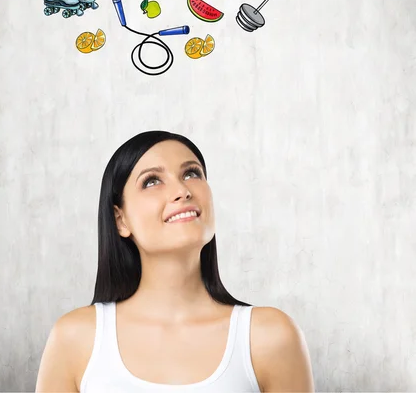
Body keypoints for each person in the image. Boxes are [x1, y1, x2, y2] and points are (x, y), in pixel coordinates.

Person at [36, 130, 315, 392]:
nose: (182, 190)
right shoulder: (75, 339)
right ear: (120, 219)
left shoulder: (270, 338)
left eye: (192, 173)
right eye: (152, 181)